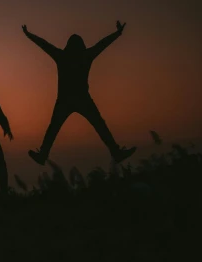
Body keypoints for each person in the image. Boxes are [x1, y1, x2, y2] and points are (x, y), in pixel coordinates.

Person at [22, 21, 136, 165]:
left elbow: (44, 44)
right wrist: (117, 33)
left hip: (65, 100)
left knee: (54, 128)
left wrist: (28, 35)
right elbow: (102, 44)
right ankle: (116, 152)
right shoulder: (85, 56)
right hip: (82, 99)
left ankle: (43, 155)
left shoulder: (62, 56)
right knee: (100, 125)